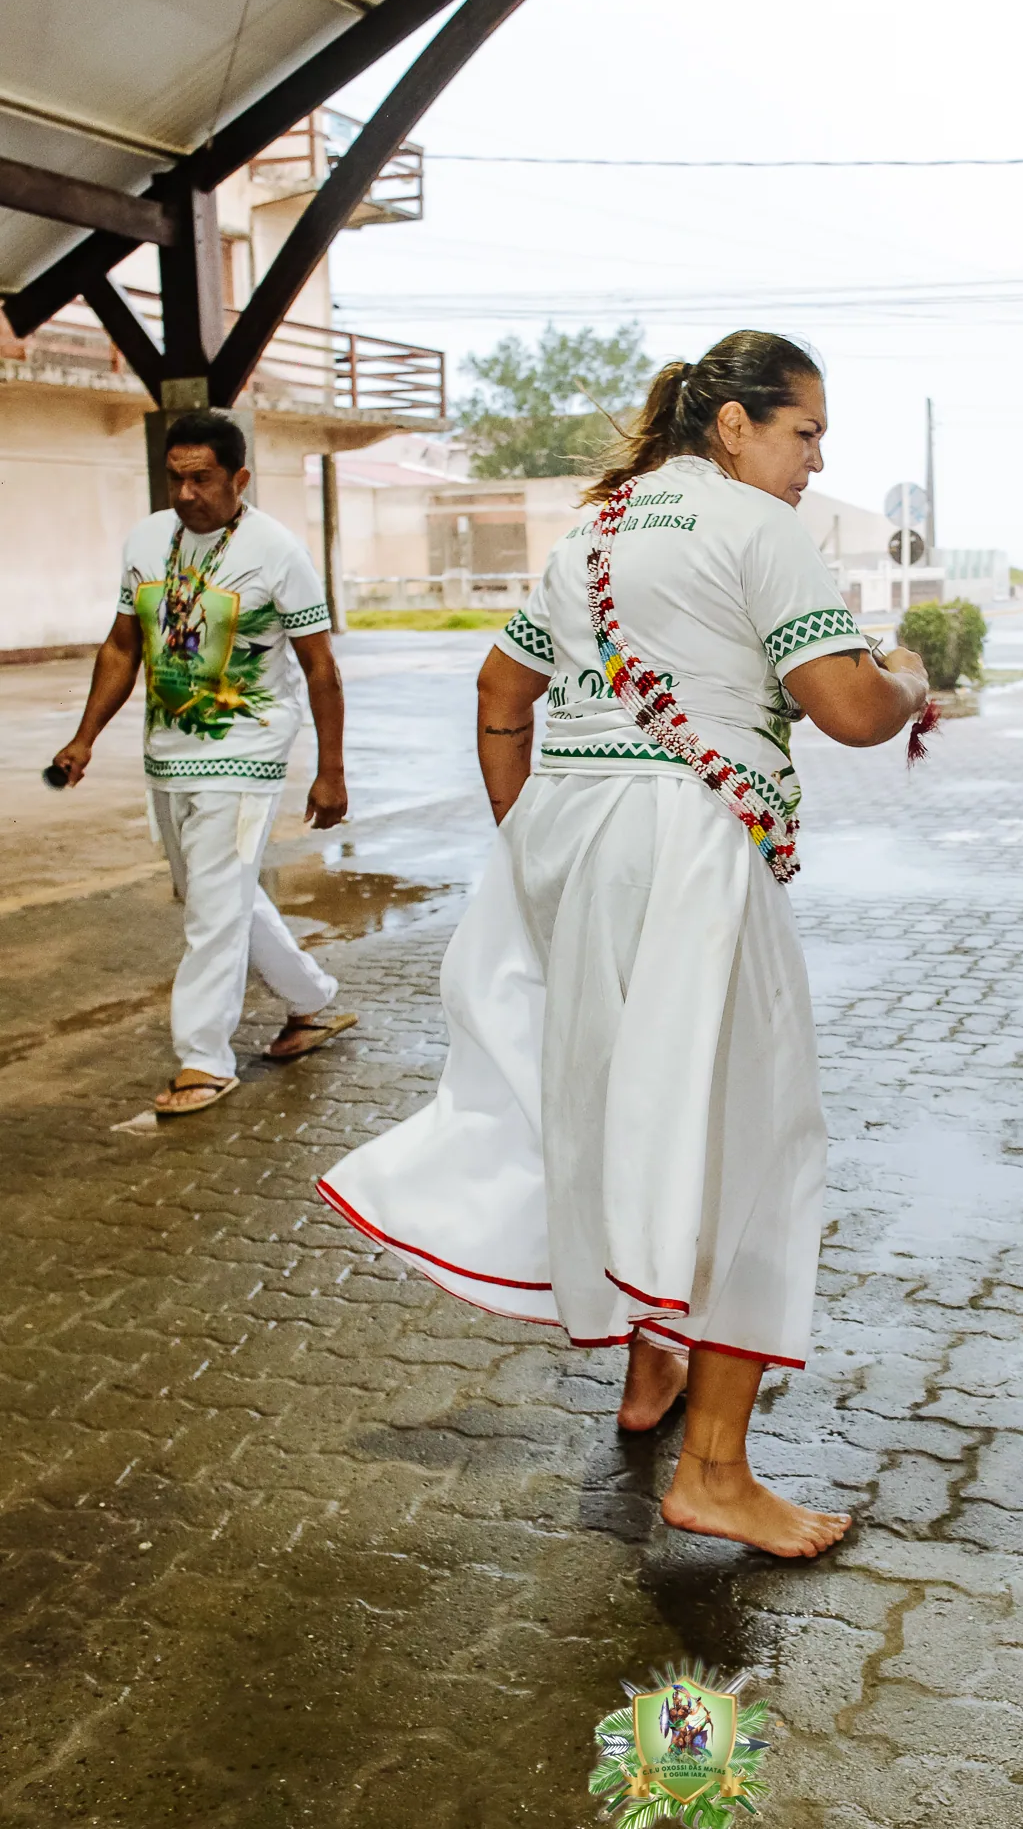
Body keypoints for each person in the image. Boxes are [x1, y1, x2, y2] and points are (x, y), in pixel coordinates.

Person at [319, 332, 929, 1558]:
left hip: (578, 843)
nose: (815, 461)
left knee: (633, 1108)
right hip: (693, 852)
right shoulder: (758, 529)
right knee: (752, 1134)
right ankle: (713, 1468)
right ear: (736, 427)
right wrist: (911, 676)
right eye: (805, 431)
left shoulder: (592, 532)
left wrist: (535, 846)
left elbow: (502, 694)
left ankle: (651, 1370)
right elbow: (852, 710)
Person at [51, 409, 355, 1116]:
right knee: (221, 898)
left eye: (202, 479)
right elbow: (121, 646)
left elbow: (320, 670)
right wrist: (85, 736)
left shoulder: (277, 551)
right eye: (175, 478)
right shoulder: (146, 541)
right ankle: (313, 1002)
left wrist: (331, 769)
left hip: (245, 753)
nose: (186, 494)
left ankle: (203, 1060)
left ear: (238, 478)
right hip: (169, 755)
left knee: (213, 913)